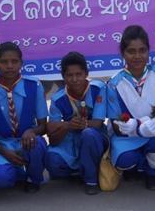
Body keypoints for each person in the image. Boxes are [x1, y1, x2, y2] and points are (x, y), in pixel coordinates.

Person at [101, 25, 155, 190]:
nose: (137, 56)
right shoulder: (114, 83)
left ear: (149, 51)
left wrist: (136, 124)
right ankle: (135, 165)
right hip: (127, 137)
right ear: (122, 53)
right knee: (125, 159)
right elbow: (117, 126)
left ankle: (153, 171)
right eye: (131, 51)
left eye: (142, 50)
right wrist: (140, 128)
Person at [0, 42, 48, 192]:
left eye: (14, 61)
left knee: (35, 143)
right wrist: (4, 152)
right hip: (3, 143)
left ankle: (33, 178)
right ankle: (16, 171)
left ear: (21, 63)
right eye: (4, 62)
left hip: (27, 140)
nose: (10, 66)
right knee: (2, 180)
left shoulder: (34, 86)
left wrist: (32, 131)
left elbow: (43, 125)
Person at [45, 52, 108, 195]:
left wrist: (81, 124)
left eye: (79, 74)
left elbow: (97, 123)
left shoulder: (98, 88)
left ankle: (91, 180)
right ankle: (82, 169)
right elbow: (53, 138)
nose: (74, 79)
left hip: (95, 137)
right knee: (51, 158)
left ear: (86, 73)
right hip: (71, 138)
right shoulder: (58, 98)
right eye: (69, 75)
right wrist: (67, 125)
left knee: (89, 134)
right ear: (63, 76)